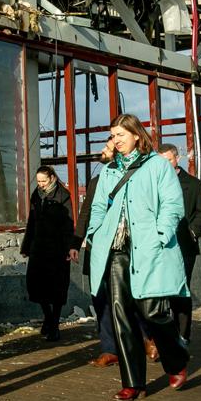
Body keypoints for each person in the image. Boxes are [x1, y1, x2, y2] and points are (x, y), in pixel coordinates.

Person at [85, 114, 190, 401]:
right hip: (116, 249)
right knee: (121, 315)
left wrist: (161, 234)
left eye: (121, 134)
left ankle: (177, 359)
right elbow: (98, 206)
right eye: (113, 135)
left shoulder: (157, 165)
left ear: (136, 135)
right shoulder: (109, 171)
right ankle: (133, 383)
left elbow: (172, 204)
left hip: (149, 247)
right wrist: (95, 232)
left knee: (152, 311)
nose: (116, 140)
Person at [157, 144, 201, 343]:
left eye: (168, 160)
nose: (165, 165)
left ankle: (182, 335)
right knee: (157, 291)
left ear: (177, 159)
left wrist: (192, 232)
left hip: (183, 245)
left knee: (180, 290)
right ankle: (161, 337)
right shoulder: (152, 182)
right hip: (158, 245)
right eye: (161, 161)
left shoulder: (193, 184)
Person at [21, 167, 79, 340]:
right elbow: (31, 221)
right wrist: (26, 246)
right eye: (38, 181)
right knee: (36, 285)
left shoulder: (63, 195)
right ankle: (48, 317)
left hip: (57, 249)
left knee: (56, 288)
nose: (40, 184)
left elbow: (68, 223)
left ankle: (54, 325)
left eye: (43, 181)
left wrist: (70, 247)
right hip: (38, 247)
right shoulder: (36, 194)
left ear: (52, 178)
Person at [76, 140, 119, 367]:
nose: (102, 151)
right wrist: (75, 243)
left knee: (126, 299)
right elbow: (86, 213)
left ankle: (144, 338)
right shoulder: (96, 182)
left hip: (121, 250)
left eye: (108, 148)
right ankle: (109, 348)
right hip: (96, 249)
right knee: (100, 299)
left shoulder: (132, 178)